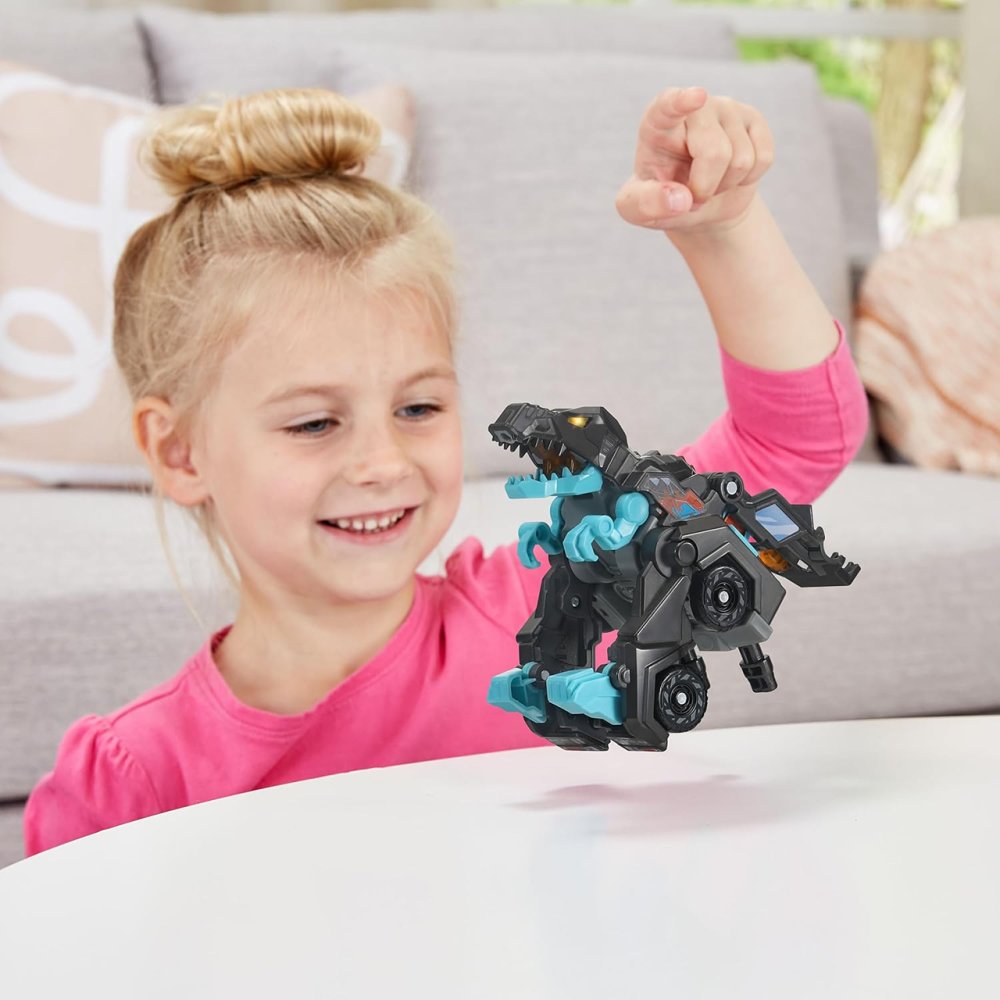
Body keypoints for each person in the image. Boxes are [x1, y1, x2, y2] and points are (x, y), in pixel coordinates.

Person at [24, 85, 868, 855]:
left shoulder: (552, 614)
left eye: (417, 408)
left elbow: (789, 446)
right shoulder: (128, 783)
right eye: (315, 422)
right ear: (180, 452)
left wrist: (723, 229)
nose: (383, 462)